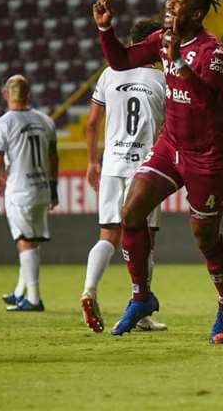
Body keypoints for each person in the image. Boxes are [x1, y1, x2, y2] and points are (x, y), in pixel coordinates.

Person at [92, 0, 223, 344]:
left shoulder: (213, 52)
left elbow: (210, 104)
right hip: (170, 145)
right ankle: (141, 297)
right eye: (168, 2)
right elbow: (121, 61)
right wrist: (105, 29)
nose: (168, 9)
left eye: (177, 4)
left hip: (207, 156)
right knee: (131, 213)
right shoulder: (162, 39)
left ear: (196, 13)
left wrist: (177, 63)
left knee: (205, 238)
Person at [81, 18, 168, 334]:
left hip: (112, 165)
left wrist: (93, 161)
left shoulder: (109, 73)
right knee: (147, 240)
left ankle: (89, 290)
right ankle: (141, 310)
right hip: (146, 171)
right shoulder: (163, 79)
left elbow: (92, 123)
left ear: (131, 43)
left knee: (108, 235)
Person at [0, 74, 59, 311]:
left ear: (5, 94)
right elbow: (54, 157)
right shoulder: (46, 121)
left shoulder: (3, 123)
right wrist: (53, 189)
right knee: (32, 239)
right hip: (42, 188)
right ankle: (21, 292)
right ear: (29, 94)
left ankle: (34, 298)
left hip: (20, 190)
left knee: (24, 241)